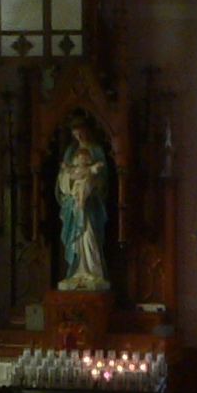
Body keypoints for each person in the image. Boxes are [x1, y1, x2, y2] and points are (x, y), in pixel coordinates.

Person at [55, 118, 112, 291]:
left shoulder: (96, 150)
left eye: (80, 130)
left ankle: (92, 271)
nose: (78, 135)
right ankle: (77, 272)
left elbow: (103, 179)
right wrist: (70, 182)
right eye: (74, 131)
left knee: (89, 235)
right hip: (73, 205)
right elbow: (63, 176)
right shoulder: (70, 151)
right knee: (76, 236)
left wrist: (92, 181)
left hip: (91, 204)